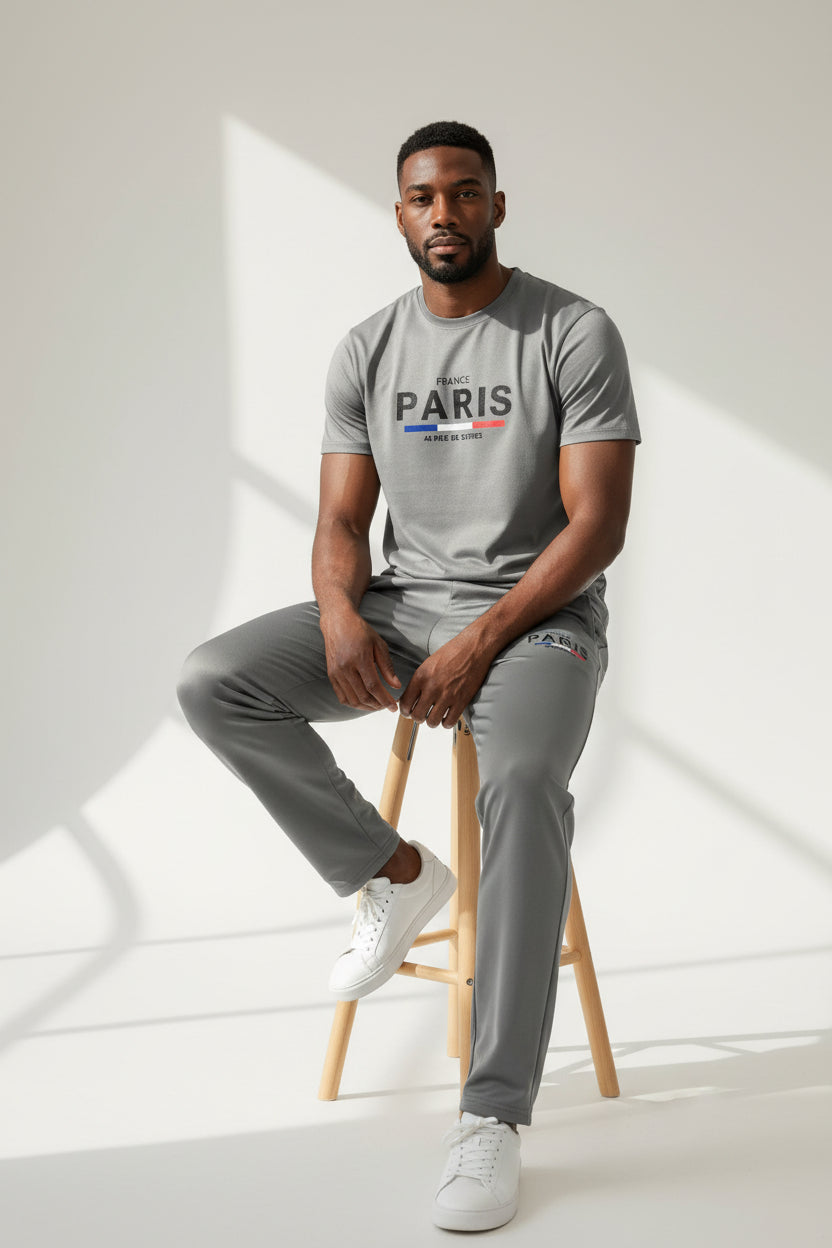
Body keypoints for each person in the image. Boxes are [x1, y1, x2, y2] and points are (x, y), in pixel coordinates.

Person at [176, 118, 641, 1232]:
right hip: (400, 608)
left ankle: (491, 1115)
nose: (445, 213)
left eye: (465, 193)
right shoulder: (367, 348)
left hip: (537, 621)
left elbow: (597, 526)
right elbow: (341, 519)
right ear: (400, 215)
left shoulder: (569, 331)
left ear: (496, 205)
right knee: (213, 679)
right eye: (424, 197)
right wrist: (342, 613)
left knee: (522, 787)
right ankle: (389, 872)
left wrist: (480, 641)